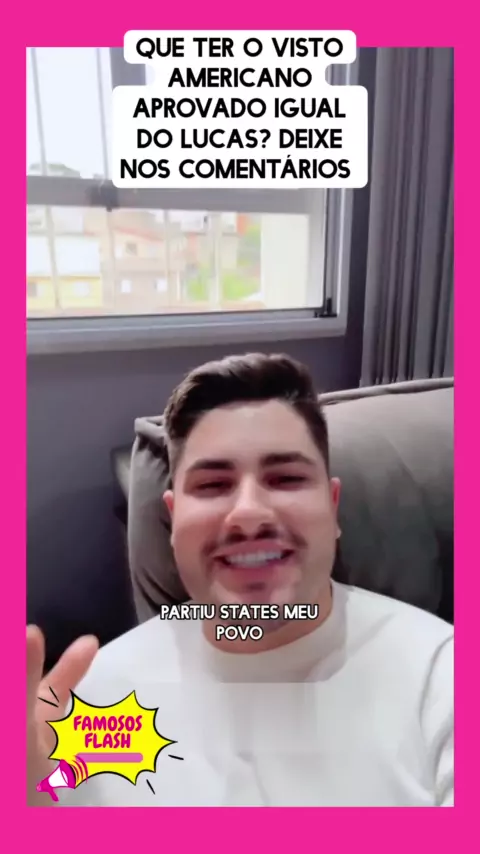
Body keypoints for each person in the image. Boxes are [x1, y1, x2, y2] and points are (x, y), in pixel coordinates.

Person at [27, 353, 453, 807]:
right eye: (212, 485)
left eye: (285, 478)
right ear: (173, 519)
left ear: (332, 509)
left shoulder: (441, 678)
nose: (248, 513)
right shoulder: (89, 702)